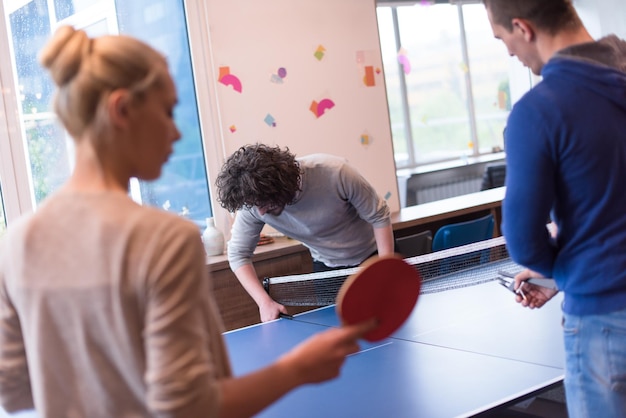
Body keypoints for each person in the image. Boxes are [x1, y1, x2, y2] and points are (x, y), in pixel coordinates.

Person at [0, 26, 375, 418]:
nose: (176, 132)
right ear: (122, 109)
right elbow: (192, 407)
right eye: (166, 111)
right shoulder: (162, 238)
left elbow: (12, 391)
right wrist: (297, 368)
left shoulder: (16, 243)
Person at [482, 1, 626, 417]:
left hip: (605, 317)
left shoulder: (538, 111)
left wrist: (563, 271)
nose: (509, 52)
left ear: (523, 29)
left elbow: (525, 239)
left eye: (503, 38)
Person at [216, 144, 394, 322]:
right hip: (327, 271)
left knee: (389, 324)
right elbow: (238, 255)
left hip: (374, 257)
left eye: (265, 203)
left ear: (283, 185)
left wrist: (385, 270)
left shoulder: (336, 172)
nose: (261, 212)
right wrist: (264, 302)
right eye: (254, 205)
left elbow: (379, 216)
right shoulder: (254, 205)